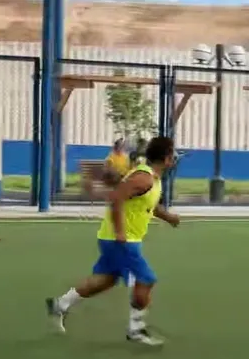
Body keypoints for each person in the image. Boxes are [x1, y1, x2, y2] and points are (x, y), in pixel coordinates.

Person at [46, 136, 181, 346]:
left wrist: (169, 217)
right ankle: (136, 330)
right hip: (122, 240)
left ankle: (60, 305)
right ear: (166, 159)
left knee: (107, 280)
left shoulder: (153, 180)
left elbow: (148, 205)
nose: (175, 157)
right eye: (173, 154)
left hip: (119, 238)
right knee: (146, 279)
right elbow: (116, 198)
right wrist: (120, 233)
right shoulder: (143, 178)